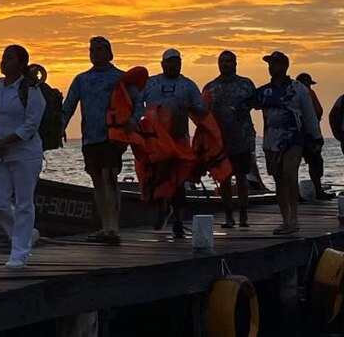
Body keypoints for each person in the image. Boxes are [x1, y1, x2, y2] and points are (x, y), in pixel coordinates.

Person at [62, 36, 142, 245]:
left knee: (110, 175)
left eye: (98, 50)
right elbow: (69, 104)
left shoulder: (120, 77)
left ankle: (113, 226)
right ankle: (104, 225)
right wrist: (61, 126)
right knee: (97, 178)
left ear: (108, 53)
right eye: (91, 50)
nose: (93, 53)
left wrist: (134, 120)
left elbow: (137, 101)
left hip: (112, 135)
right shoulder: (81, 79)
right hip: (90, 136)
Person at [0, 45, 46, 269]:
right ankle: (27, 234)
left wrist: (4, 142)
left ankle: (19, 253)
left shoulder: (31, 90)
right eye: (3, 57)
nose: (4, 61)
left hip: (25, 154)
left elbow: (31, 125)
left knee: (24, 203)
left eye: (9, 58)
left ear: (21, 63)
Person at [253, 51, 320, 235]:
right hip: (271, 142)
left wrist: (316, 137)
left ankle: (294, 218)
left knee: (290, 175)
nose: (271, 67)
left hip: (293, 140)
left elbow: (309, 115)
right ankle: (285, 220)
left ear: (284, 66)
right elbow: (248, 104)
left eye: (274, 63)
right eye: (269, 64)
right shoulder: (264, 91)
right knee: (279, 180)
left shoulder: (298, 89)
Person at [143, 48, 207, 237]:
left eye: (176, 62)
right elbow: (137, 104)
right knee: (155, 178)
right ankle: (162, 208)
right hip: (156, 141)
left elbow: (202, 110)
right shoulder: (151, 84)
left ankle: (178, 221)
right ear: (162, 64)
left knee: (178, 181)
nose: (173, 65)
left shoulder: (188, 85)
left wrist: (190, 107)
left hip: (179, 139)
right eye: (169, 62)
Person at [203, 50, 257, 229]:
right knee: (224, 179)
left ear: (235, 63)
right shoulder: (210, 87)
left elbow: (256, 105)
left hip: (241, 139)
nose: (225, 64)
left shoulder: (246, 84)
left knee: (242, 177)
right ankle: (228, 215)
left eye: (228, 61)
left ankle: (243, 213)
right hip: (219, 141)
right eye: (222, 61)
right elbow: (202, 114)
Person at [297, 73, 335, 201]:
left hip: (305, 132)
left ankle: (302, 193)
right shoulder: (306, 94)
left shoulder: (304, 94)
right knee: (314, 162)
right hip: (308, 134)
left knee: (311, 162)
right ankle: (316, 191)